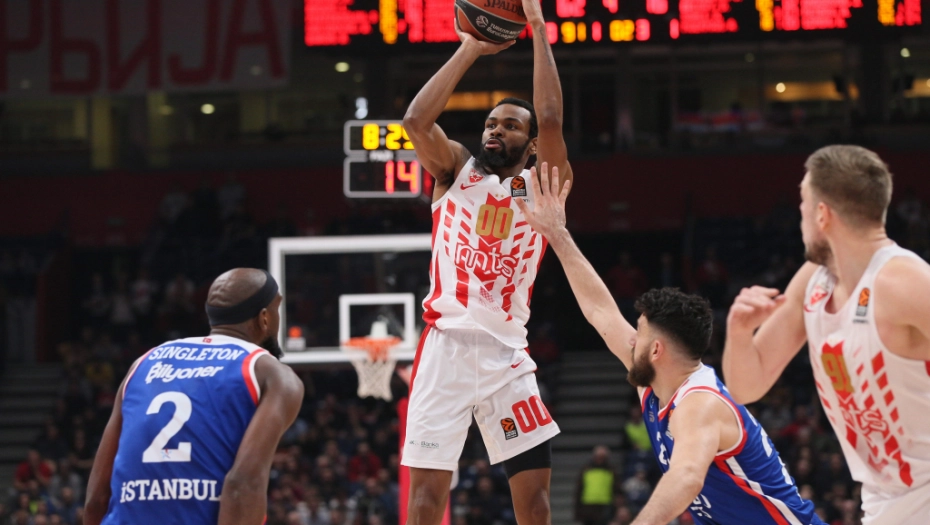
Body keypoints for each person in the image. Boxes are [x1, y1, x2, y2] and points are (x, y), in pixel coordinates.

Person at [516, 163, 824, 525]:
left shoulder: (700, 403)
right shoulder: (657, 383)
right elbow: (600, 311)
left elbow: (686, 477)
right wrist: (556, 234)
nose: (631, 339)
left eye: (640, 333)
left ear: (657, 350)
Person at [399, 0, 571, 522]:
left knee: (535, 501)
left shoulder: (543, 185)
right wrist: (470, 47)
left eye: (510, 126)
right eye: (491, 123)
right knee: (425, 499)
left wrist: (537, 26)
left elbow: (550, 118)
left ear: (532, 146)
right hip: (444, 349)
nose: (495, 131)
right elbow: (415, 121)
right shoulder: (455, 170)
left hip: (507, 355)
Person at [722, 145, 930, 524]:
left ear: (822, 214)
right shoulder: (813, 281)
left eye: (803, 200)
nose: (799, 212)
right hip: (885, 500)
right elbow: (746, 386)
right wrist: (739, 331)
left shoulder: (901, 281)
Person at [84, 268, 304, 525]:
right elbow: (242, 485)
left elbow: (96, 499)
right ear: (264, 318)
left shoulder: (143, 364)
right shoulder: (271, 374)